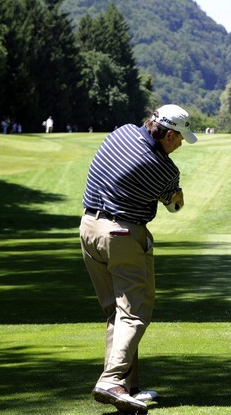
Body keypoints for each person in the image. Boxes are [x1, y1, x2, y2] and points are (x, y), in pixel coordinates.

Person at [79, 104, 197, 414]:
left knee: (115, 312)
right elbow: (174, 205)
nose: (182, 144)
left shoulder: (122, 132)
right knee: (134, 311)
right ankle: (111, 379)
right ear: (168, 135)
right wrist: (177, 196)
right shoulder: (164, 168)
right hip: (121, 236)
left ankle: (127, 388)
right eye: (181, 138)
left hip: (88, 229)